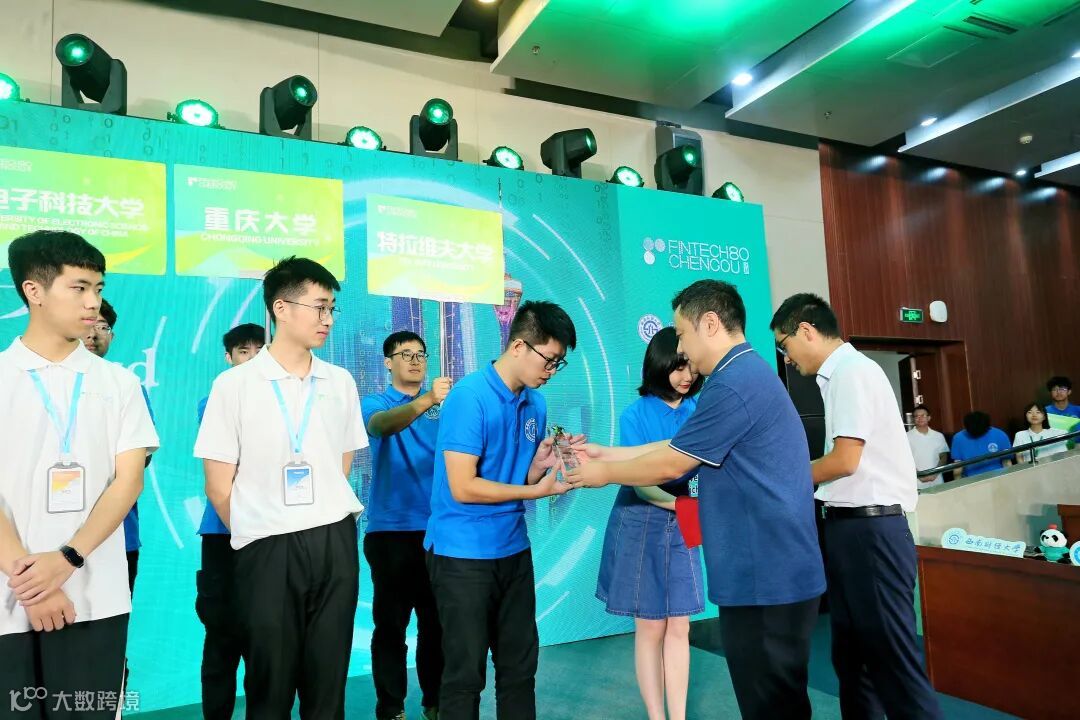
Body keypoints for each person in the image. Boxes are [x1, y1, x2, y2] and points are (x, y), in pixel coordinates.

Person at [568, 280, 826, 720]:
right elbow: (678, 446)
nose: (683, 350)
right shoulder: (741, 376)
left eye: (683, 335)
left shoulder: (734, 383)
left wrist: (605, 473)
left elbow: (672, 463)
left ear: (709, 324)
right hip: (769, 572)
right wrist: (606, 454)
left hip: (765, 577)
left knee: (771, 705)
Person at [194, 256, 368, 719]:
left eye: (331, 308)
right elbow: (218, 483)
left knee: (327, 681)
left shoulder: (340, 382)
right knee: (270, 682)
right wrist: (256, 533)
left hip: (333, 538)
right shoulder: (234, 385)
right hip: (265, 545)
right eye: (319, 307)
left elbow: (342, 462)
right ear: (281, 308)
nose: (328, 318)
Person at [0, 230, 158, 719]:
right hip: (8, 601)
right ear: (34, 291)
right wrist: (31, 582)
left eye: (99, 288)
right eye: (80, 287)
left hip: (95, 596)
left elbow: (128, 481)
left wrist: (68, 558)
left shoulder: (120, 382)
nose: (94, 302)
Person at [770, 292, 942, 720]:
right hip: (851, 530)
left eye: (785, 345)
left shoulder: (851, 372)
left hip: (871, 533)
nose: (786, 358)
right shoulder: (839, 376)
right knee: (853, 662)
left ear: (806, 331)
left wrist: (782, 477)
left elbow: (845, 460)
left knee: (894, 665)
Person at [425, 300, 581, 720]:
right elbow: (463, 486)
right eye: (549, 360)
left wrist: (538, 466)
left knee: (519, 668)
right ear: (518, 346)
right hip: (462, 554)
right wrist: (534, 491)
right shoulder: (469, 397)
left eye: (559, 363)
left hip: (513, 550)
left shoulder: (536, 404)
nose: (552, 371)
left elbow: (515, 477)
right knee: (464, 675)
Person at [594, 327, 704, 720]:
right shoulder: (635, 414)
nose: (686, 375)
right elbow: (642, 484)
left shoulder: (700, 410)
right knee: (651, 627)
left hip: (683, 516)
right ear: (659, 366)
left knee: (681, 626)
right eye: (677, 367)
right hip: (642, 520)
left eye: (690, 366)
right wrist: (686, 507)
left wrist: (691, 509)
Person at [362, 330, 449, 720]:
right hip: (390, 532)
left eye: (421, 354)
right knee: (390, 627)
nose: (415, 361)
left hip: (437, 530)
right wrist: (427, 399)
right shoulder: (376, 403)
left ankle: (435, 703)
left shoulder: (445, 408)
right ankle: (391, 708)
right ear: (388, 362)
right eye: (406, 354)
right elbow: (381, 426)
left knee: (436, 626)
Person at [195, 322, 264, 720]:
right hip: (223, 531)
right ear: (228, 358)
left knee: (265, 638)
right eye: (243, 352)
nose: (252, 358)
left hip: (270, 532)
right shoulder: (213, 401)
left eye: (259, 350)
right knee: (220, 636)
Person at [82, 298, 150, 594]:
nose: (93, 334)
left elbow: (138, 462)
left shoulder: (127, 385)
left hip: (119, 534)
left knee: (112, 619)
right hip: (47, 537)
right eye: (88, 325)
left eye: (103, 327)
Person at [950, 412, 1011, 477]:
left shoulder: (1000, 434)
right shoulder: (958, 438)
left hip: (997, 476)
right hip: (971, 479)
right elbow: (958, 467)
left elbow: (1006, 462)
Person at [907, 405, 950, 490]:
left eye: (923, 415)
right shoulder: (906, 437)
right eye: (916, 416)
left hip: (937, 480)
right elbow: (905, 459)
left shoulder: (938, 436)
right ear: (913, 419)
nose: (920, 418)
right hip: (916, 482)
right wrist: (919, 475)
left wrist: (935, 473)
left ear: (929, 418)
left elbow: (943, 457)